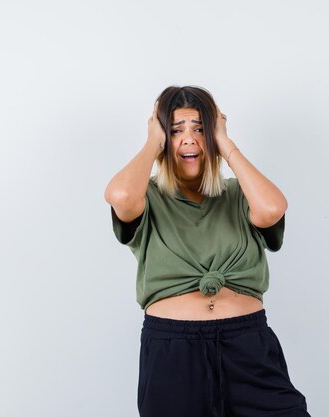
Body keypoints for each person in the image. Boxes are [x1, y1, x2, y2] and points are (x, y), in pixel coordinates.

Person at [105, 86, 310, 417]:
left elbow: (272, 209)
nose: (189, 139)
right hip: (174, 355)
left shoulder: (238, 194)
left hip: (248, 346)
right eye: (175, 131)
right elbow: (120, 196)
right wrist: (152, 142)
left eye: (200, 129)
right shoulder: (149, 199)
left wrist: (225, 145)